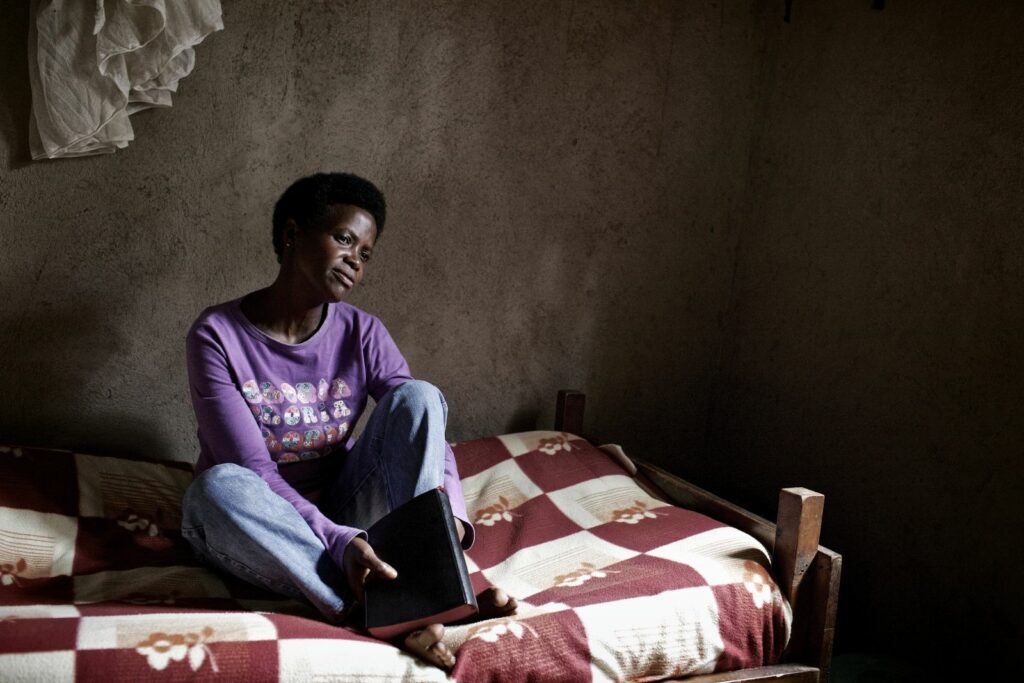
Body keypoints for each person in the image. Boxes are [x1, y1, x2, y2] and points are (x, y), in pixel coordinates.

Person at [181, 172, 516, 670]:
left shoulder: (363, 332)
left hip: (346, 510)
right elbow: (256, 473)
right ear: (292, 235)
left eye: (365, 252)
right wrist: (341, 543)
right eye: (343, 239)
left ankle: (430, 583)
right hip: (267, 524)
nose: (355, 260)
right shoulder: (218, 335)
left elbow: (423, 425)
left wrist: (450, 525)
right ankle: (385, 611)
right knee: (217, 487)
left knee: (418, 394)